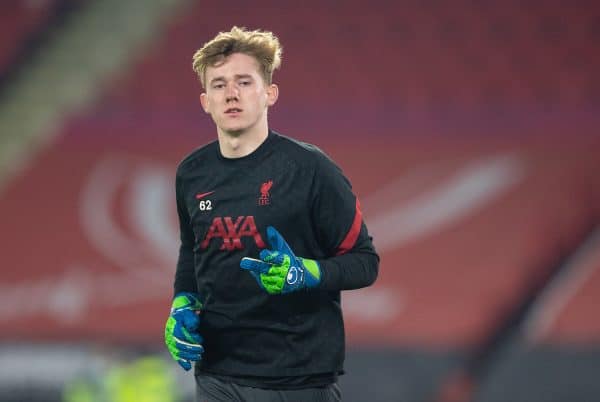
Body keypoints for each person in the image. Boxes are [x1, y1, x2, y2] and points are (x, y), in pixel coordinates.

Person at [164, 26, 379, 402]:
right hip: (217, 375)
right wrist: (182, 302)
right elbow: (192, 251)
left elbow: (365, 263)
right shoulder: (191, 173)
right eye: (218, 85)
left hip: (298, 380)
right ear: (205, 101)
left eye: (244, 82)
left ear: (270, 94)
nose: (231, 93)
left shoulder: (311, 169)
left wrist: (306, 272)